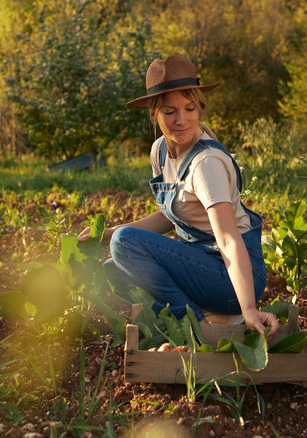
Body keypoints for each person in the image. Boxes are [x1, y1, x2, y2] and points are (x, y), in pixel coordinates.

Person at [78, 55, 279, 339]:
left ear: (199, 108)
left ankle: (198, 327)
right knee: (115, 268)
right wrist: (108, 234)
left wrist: (248, 308)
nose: (181, 120)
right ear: (154, 114)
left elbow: (228, 238)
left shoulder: (205, 164)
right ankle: (196, 320)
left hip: (228, 277)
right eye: (169, 112)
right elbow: (170, 216)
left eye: (189, 108)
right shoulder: (160, 151)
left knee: (124, 243)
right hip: (199, 265)